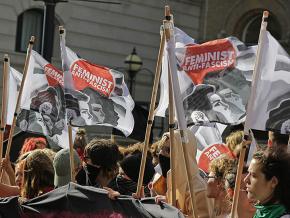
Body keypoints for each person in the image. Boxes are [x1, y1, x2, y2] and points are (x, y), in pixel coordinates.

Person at [244, 148, 290, 218]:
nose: (245, 179)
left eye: (253, 175)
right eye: (248, 173)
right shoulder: (261, 212)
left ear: (273, 182)